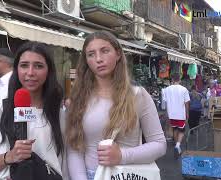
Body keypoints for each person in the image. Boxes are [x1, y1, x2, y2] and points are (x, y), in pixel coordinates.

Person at [65, 31, 166, 180]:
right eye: (91, 54)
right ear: (86, 60)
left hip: (125, 174)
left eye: (105, 51)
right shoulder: (78, 99)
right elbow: (74, 148)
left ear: (118, 54)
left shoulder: (138, 95)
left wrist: (122, 156)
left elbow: (159, 145)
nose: (98, 59)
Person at [0, 42, 69, 180]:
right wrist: (9, 156)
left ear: (49, 71)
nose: (30, 73)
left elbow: (64, 164)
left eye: (38, 66)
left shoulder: (58, 114)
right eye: (24, 65)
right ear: (16, 69)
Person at [162, 73, 190, 158]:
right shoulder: (184, 89)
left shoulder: (166, 89)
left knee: (174, 129)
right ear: (180, 79)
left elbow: (165, 103)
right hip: (180, 114)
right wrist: (187, 114)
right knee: (181, 130)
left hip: (171, 114)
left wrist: (167, 114)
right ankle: (177, 145)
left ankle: (177, 145)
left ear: (172, 79)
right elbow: (186, 103)